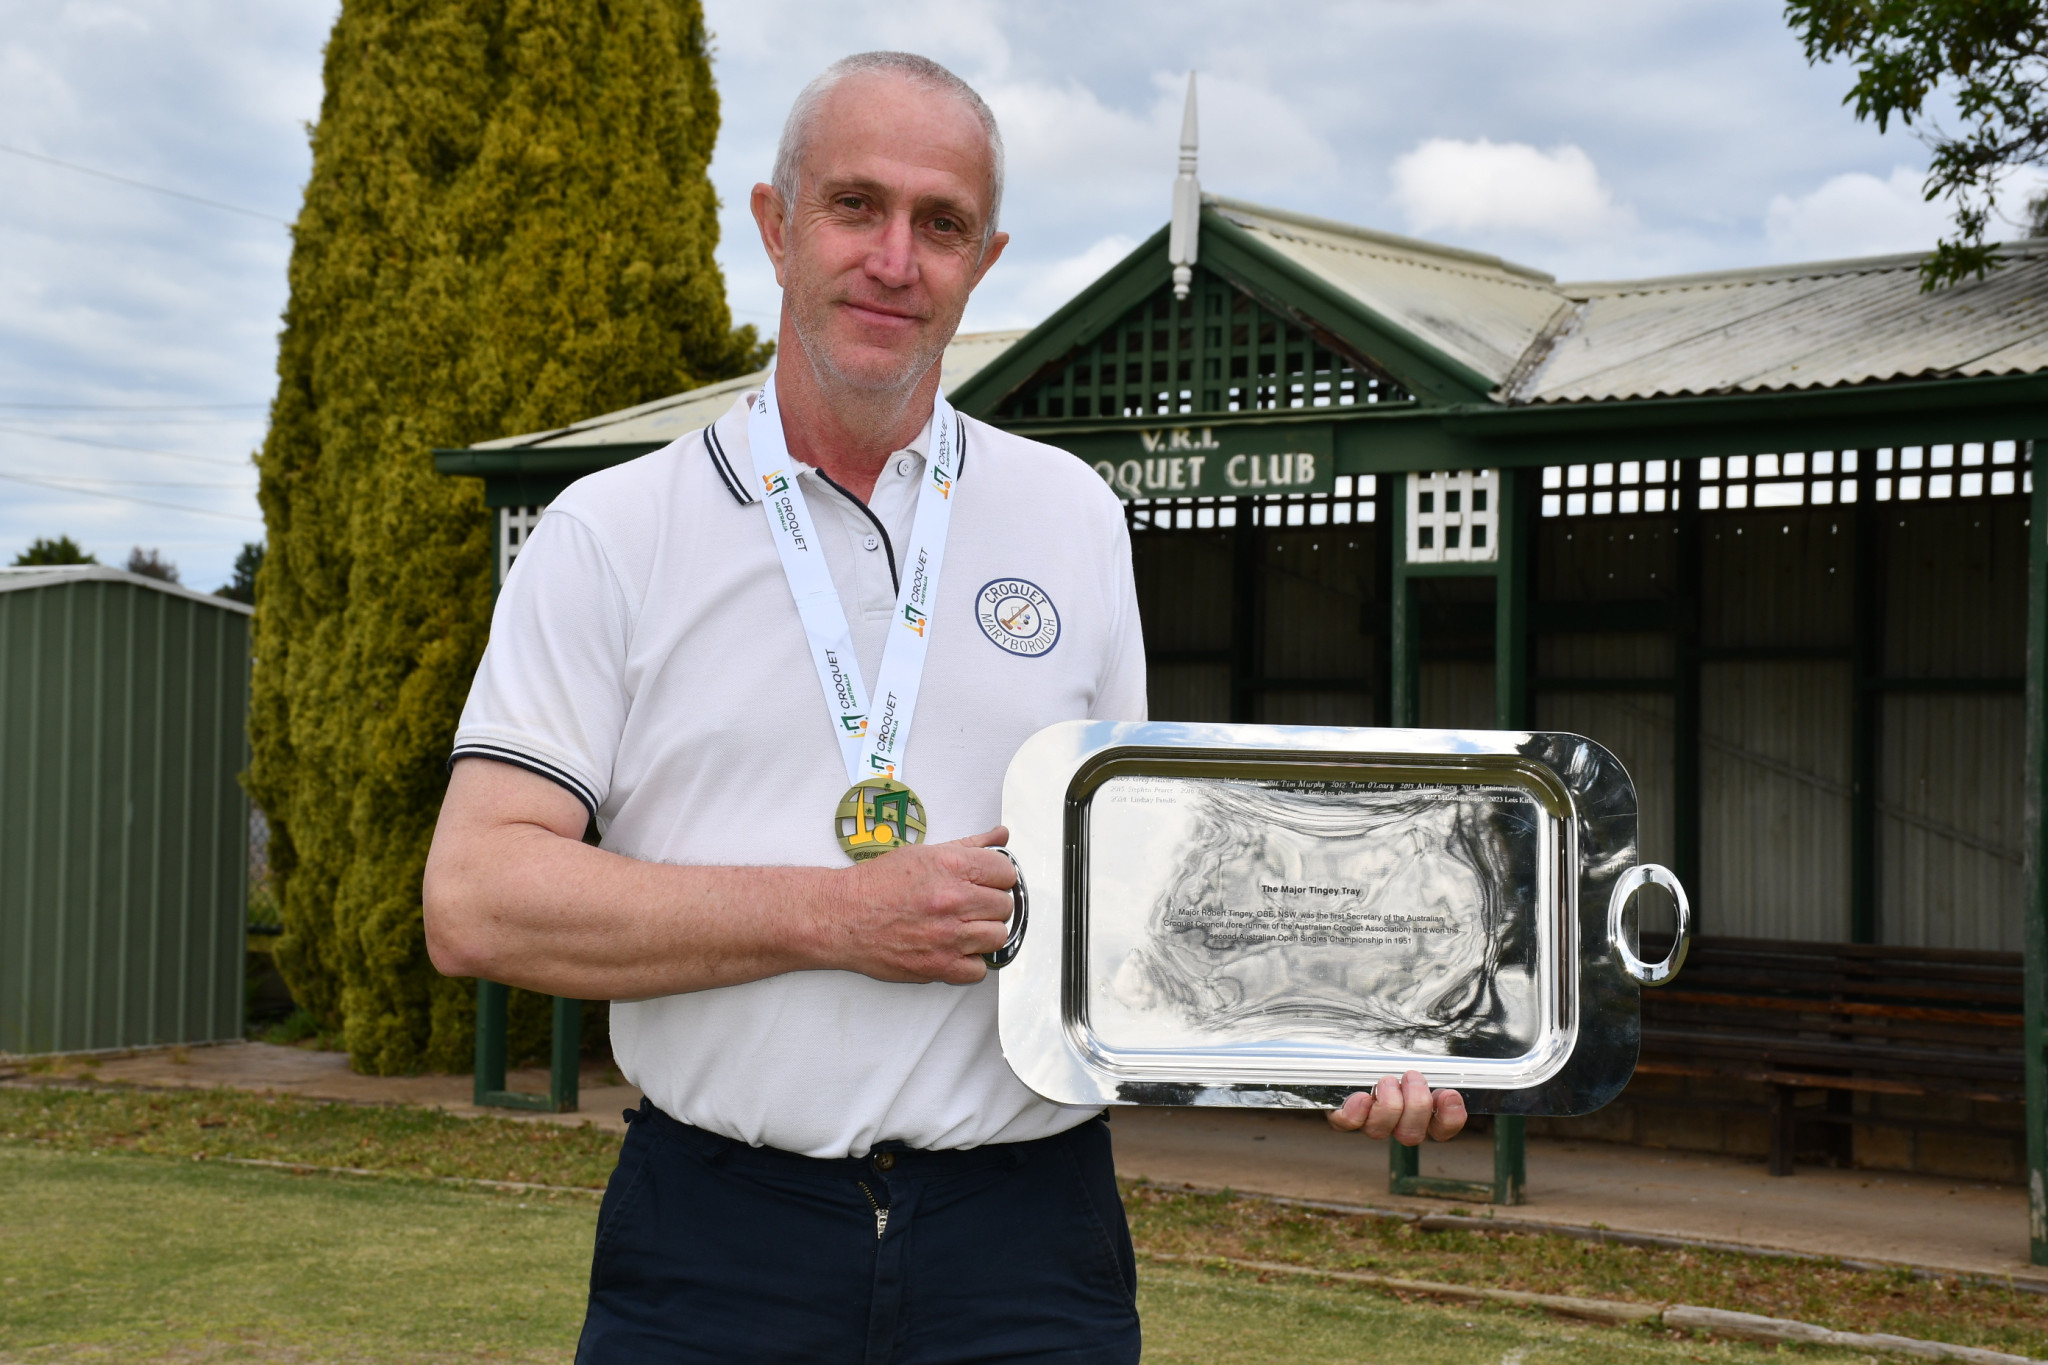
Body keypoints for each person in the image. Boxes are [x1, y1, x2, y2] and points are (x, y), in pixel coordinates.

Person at [422, 50, 1465, 1365]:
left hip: (1024, 1247)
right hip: (717, 1242)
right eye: (855, 206)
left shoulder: (1072, 516)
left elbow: (1125, 899)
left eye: (942, 223)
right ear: (775, 226)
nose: (894, 259)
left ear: (986, 260)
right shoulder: (613, 532)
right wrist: (833, 916)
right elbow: (476, 898)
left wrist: (1348, 1030)